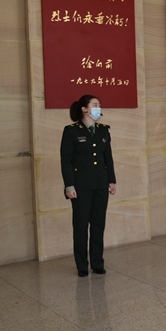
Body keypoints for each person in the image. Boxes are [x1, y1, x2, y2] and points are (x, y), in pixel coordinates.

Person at [60, 94, 116, 277]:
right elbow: (66, 161)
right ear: (84, 109)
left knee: (98, 224)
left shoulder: (103, 130)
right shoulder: (71, 131)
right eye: (94, 105)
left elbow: (107, 158)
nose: (98, 108)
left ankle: (98, 263)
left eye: (99, 105)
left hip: (100, 184)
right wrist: (69, 186)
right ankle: (82, 265)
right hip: (80, 186)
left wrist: (111, 180)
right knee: (81, 226)